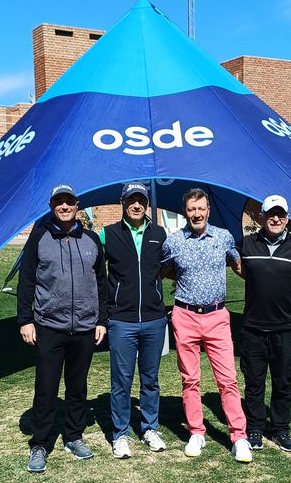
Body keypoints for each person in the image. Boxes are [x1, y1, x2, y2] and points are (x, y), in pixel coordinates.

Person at [17, 184, 108, 473]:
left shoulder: (92, 239)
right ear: (51, 205)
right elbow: (27, 280)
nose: (65, 206)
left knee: (77, 387)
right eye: (59, 202)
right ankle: (40, 444)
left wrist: (102, 320)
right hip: (49, 327)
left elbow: (102, 284)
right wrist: (25, 319)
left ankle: (73, 436)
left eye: (69, 201)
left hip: (83, 327)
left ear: (77, 204)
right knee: (45, 389)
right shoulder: (39, 236)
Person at [161, 188, 252, 463]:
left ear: (208, 210)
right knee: (190, 380)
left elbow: (240, 267)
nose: (197, 213)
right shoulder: (174, 241)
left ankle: (239, 437)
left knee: (228, 379)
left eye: (201, 208)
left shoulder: (223, 237)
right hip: (185, 315)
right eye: (191, 209)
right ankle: (196, 432)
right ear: (185, 211)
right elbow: (164, 270)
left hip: (217, 317)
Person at [238, 195, 291, 452]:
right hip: (253, 330)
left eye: (280, 214)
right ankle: (255, 428)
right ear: (261, 216)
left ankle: (281, 429)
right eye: (270, 214)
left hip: (285, 330)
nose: (275, 218)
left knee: (283, 383)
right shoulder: (247, 245)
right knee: (254, 383)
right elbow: (239, 270)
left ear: (287, 217)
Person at [100, 182, 168, 459]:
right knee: (121, 381)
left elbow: (169, 268)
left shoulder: (160, 234)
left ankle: (150, 428)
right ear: (123, 203)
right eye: (131, 200)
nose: (137, 205)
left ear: (147, 204)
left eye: (141, 200)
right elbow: (92, 271)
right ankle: (120, 434)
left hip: (154, 319)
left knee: (150, 379)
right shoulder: (107, 234)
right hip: (121, 320)